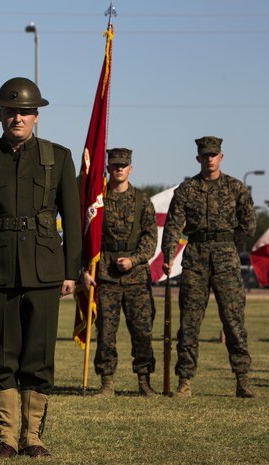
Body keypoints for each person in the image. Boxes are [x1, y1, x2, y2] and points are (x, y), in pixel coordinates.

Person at [0, 77, 81, 458]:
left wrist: (70, 270)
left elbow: (73, 220)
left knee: (39, 356)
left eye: (25, 112)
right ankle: (7, 438)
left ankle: (33, 437)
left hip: (44, 271)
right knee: (2, 355)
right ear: (0, 114)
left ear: (36, 116)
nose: (18, 118)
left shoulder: (58, 157)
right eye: (11, 111)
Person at [162, 136, 257, 398]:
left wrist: (227, 238)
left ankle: (242, 380)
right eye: (205, 155)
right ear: (198, 158)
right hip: (195, 258)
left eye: (213, 154)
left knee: (234, 320)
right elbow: (173, 225)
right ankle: (185, 381)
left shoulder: (236, 188)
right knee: (190, 322)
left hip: (226, 257)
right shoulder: (187, 190)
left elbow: (249, 223)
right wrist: (169, 255)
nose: (209, 159)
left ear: (221, 157)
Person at [81, 148, 158, 397]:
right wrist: (84, 268)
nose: (119, 169)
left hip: (136, 277)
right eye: (115, 165)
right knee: (106, 331)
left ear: (131, 168)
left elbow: (150, 238)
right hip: (106, 275)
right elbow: (88, 237)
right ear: (108, 168)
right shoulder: (98, 200)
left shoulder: (142, 201)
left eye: (123, 165)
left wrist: (134, 260)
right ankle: (107, 383)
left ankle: (144, 382)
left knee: (142, 331)